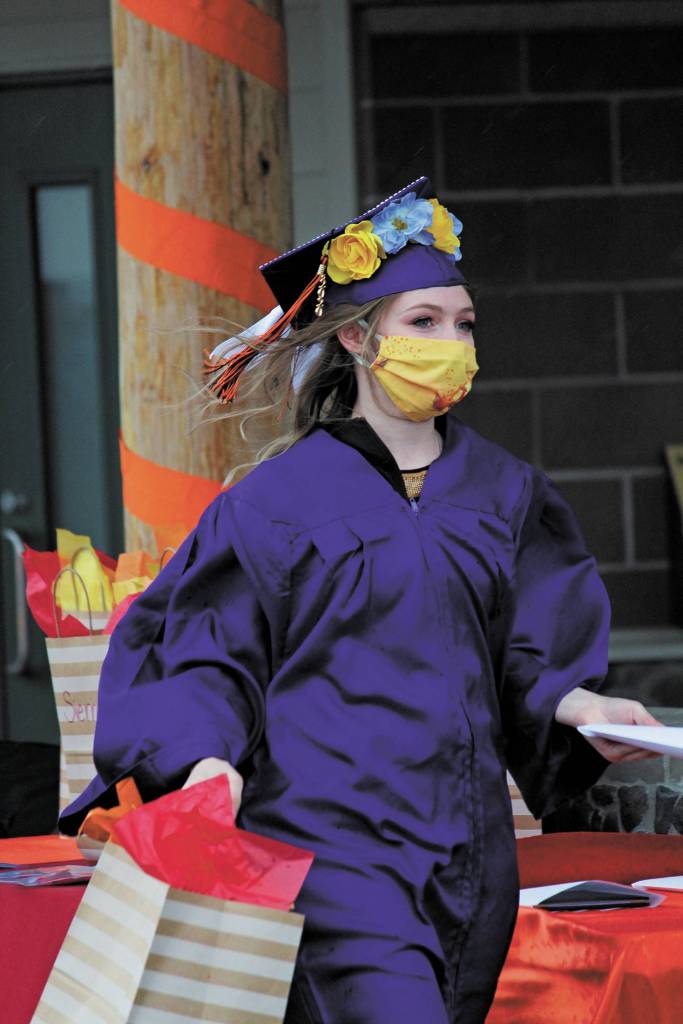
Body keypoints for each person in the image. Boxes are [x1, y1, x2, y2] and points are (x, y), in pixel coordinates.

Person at [61, 177, 660, 1024]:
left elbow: (529, 647)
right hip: (331, 855)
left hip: (470, 859)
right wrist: (204, 761)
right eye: (422, 323)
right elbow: (205, 653)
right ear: (356, 337)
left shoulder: (503, 490)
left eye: (463, 324)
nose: (449, 343)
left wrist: (581, 704)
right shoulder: (275, 505)